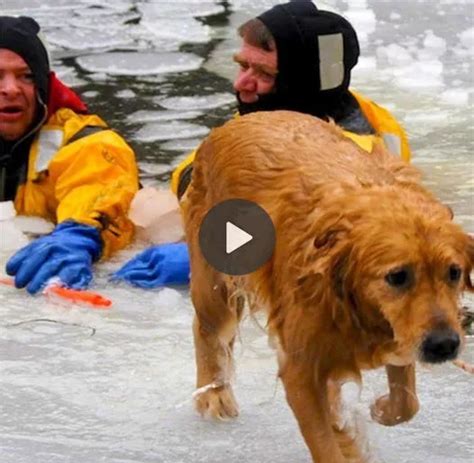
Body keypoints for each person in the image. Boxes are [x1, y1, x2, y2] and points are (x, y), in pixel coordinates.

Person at [112, 1, 411, 288]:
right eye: (243, 66)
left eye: (264, 75)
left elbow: (317, 245)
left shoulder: (346, 160)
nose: (241, 84)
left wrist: (203, 259)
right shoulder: (294, 112)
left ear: (300, 85)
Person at [0, 16, 139, 294]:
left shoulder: (87, 143)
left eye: (26, 76)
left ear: (42, 85)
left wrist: (79, 235)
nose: (11, 89)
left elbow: (98, 186)